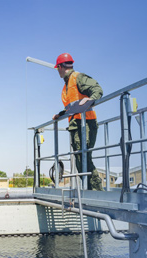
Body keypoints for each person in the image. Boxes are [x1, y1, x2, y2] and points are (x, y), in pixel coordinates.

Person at [52, 53, 103, 191]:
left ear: (61, 67)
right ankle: (91, 190)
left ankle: (97, 191)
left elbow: (97, 89)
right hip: (76, 125)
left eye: (58, 68)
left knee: (84, 159)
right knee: (81, 160)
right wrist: (60, 114)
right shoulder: (67, 85)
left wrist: (91, 98)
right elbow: (71, 106)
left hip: (86, 124)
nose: (57, 71)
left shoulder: (78, 78)